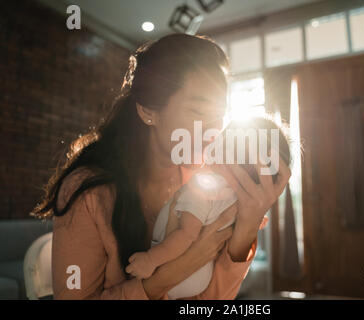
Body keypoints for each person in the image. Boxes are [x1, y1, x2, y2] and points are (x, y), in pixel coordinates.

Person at [31, 34, 291, 300]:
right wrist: (168, 275)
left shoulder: (202, 181)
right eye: (198, 113)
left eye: (219, 116)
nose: (214, 131)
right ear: (147, 111)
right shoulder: (89, 193)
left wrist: (246, 228)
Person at [125, 117, 291, 299]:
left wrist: (150, 259)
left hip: (173, 276)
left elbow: (186, 234)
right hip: (195, 283)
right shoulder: (234, 202)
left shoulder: (202, 189)